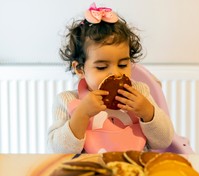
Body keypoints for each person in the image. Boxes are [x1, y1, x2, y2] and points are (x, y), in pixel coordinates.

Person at [47, 3, 174, 154]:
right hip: (91, 173)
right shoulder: (67, 101)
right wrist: (81, 114)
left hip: (136, 169)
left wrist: (147, 112)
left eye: (122, 64)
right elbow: (58, 151)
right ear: (80, 69)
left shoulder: (140, 92)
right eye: (101, 67)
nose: (116, 74)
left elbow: (164, 141)